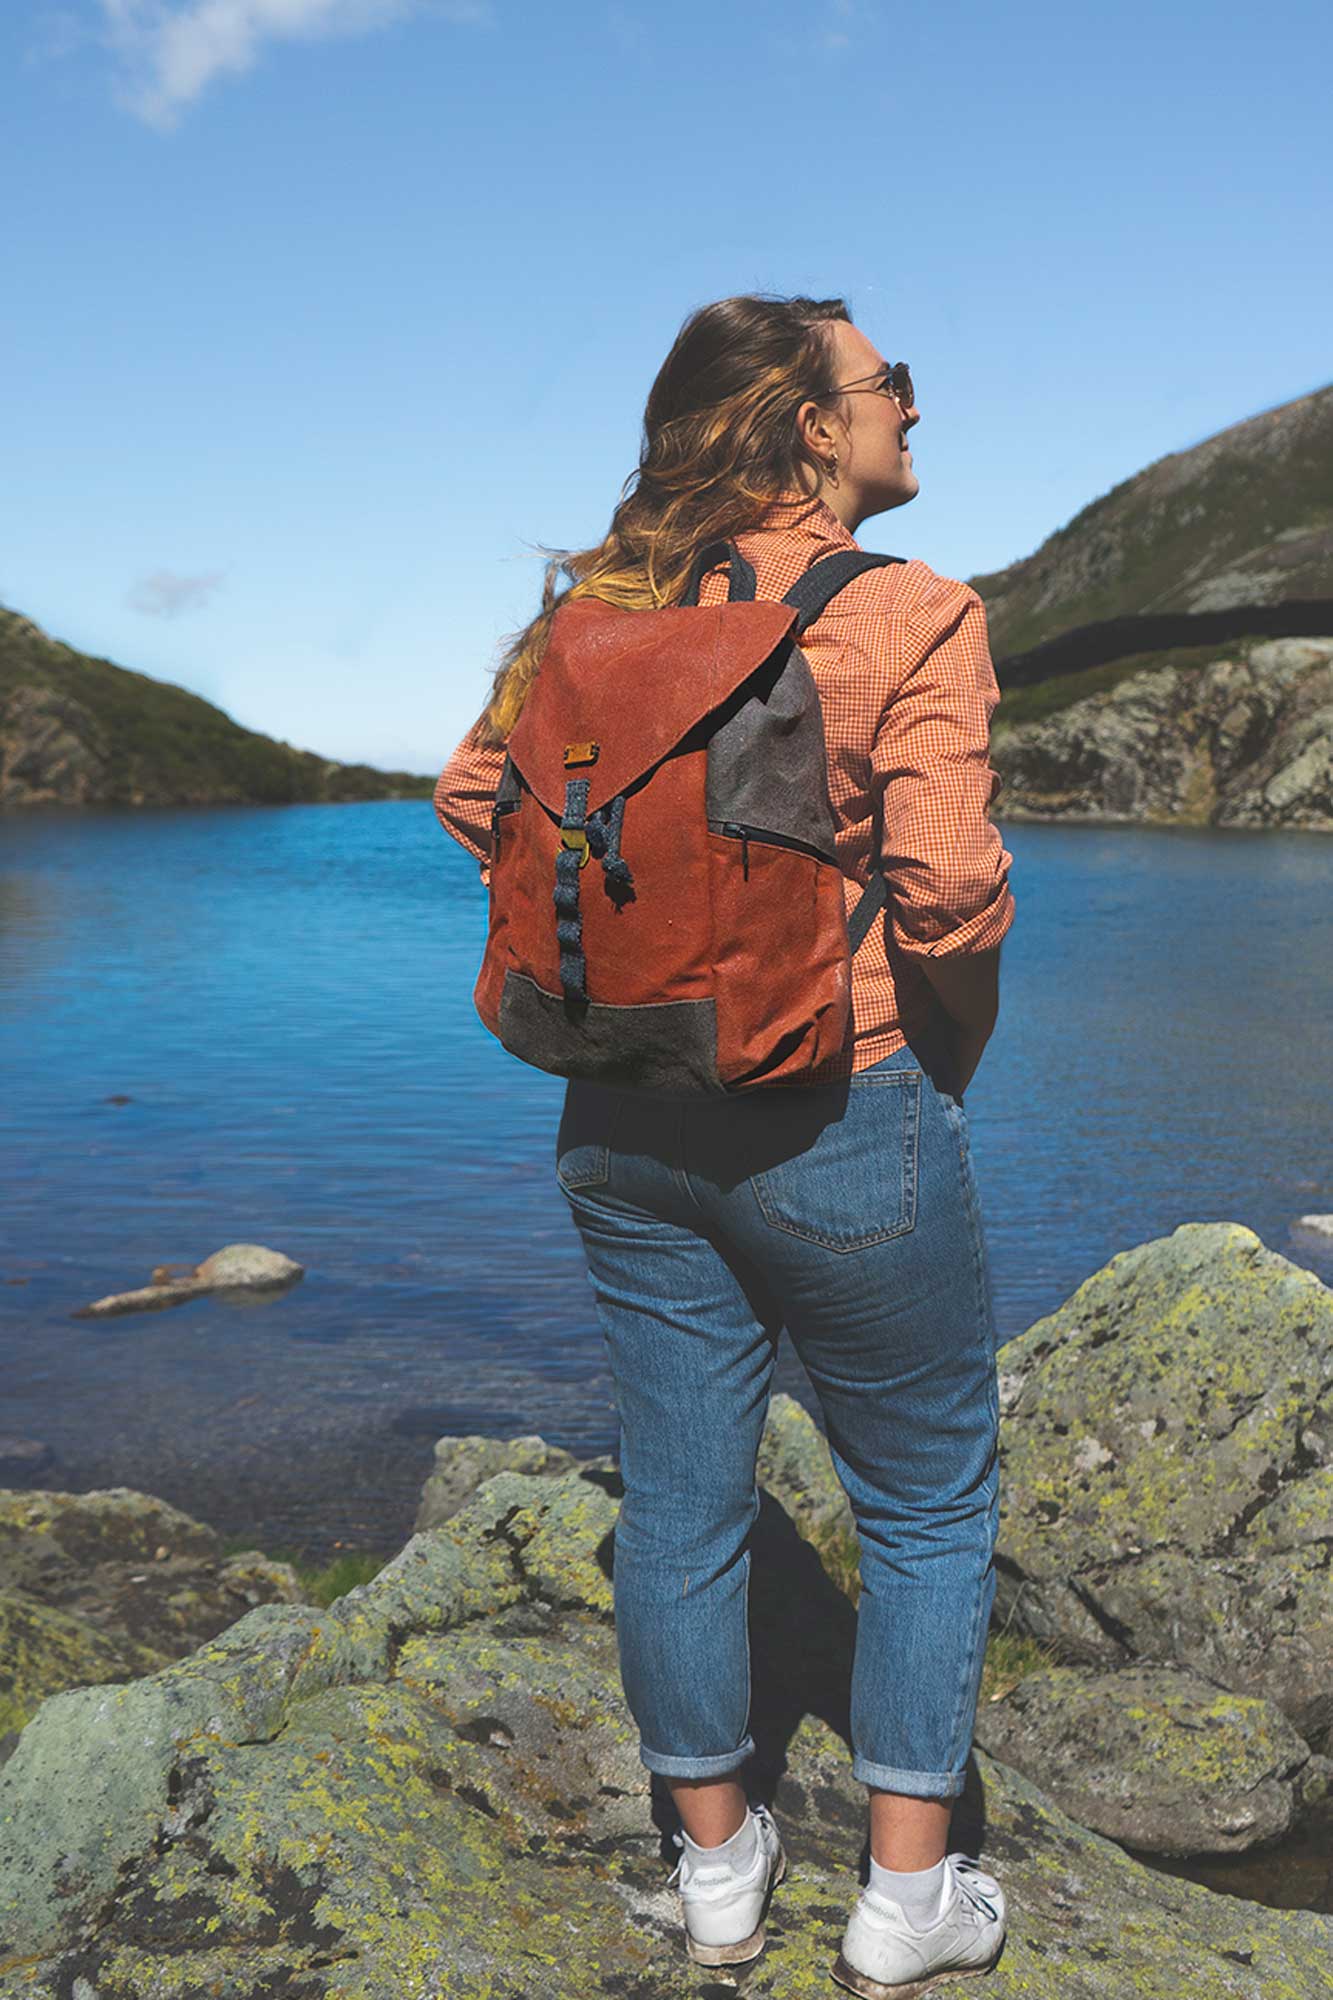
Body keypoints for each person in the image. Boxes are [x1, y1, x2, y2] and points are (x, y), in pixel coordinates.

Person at [434, 293, 1015, 1994]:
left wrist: (618, 969)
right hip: (834, 1107)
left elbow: (476, 802)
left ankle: (715, 1874)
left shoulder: (592, 617)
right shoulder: (910, 611)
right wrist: (942, 1051)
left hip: (616, 1120)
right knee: (921, 1501)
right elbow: (950, 888)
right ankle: (906, 1909)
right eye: (885, 385)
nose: (912, 406)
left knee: (681, 1502)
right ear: (805, 427)